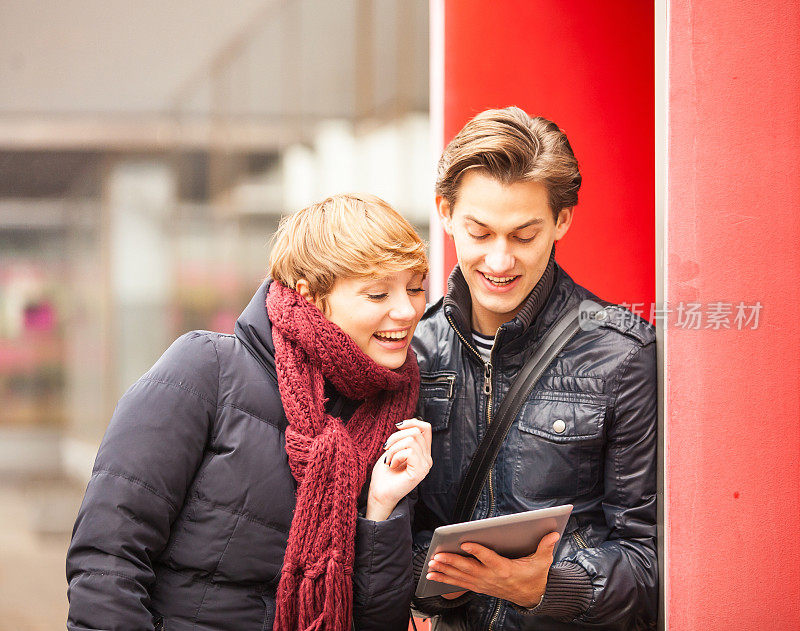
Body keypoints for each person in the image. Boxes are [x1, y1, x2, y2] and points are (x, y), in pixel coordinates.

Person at [66, 193, 433, 631]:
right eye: (378, 293)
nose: (408, 310)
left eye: (414, 287)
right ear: (309, 295)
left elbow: (376, 620)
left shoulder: (396, 409)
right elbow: (108, 559)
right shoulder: (205, 370)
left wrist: (382, 510)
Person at [411, 107, 657, 630]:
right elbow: (376, 529)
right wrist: (428, 579)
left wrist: (554, 584)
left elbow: (650, 557)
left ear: (562, 220)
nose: (499, 263)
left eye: (524, 236)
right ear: (446, 212)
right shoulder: (412, 349)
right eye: (480, 233)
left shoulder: (622, 354)